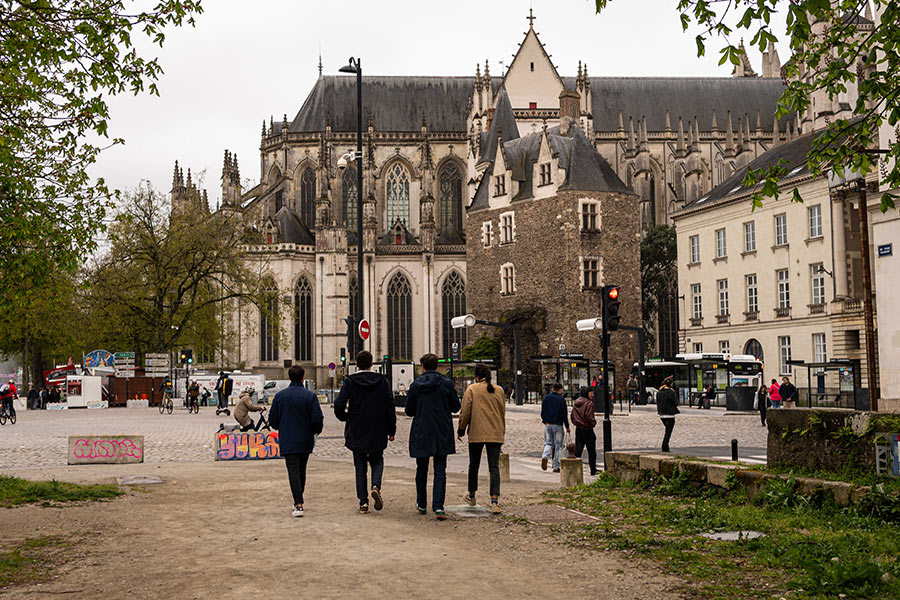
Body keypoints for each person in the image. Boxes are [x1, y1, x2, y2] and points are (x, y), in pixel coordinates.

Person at [334, 350, 396, 514]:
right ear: (371, 365)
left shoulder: (350, 381)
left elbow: (339, 403)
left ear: (356, 365)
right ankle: (376, 485)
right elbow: (390, 406)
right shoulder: (382, 381)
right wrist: (391, 430)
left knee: (360, 465)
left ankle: (363, 502)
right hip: (378, 427)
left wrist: (345, 417)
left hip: (357, 427)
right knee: (377, 460)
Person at [405, 353, 460, 520]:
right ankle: (438, 507)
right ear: (437, 366)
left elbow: (409, 411)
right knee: (440, 470)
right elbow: (455, 407)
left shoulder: (416, 385)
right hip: (441, 430)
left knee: (421, 468)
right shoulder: (446, 384)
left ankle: (421, 503)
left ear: (423, 367)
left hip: (422, 430)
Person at [269, 365, 324, 518]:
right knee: (302, 470)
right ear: (302, 378)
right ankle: (298, 500)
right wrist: (316, 430)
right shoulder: (310, 396)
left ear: (289, 377)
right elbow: (317, 419)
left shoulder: (280, 396)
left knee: (293, 470)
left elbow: (272, 420)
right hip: (305, 438)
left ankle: (298, 503)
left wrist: (282, 425)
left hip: (288, 438)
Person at [457, 364, 506, 514]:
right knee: (494, 467)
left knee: (474, 465)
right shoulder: (499, 390)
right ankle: (494, 500)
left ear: (476, 376)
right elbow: (502, 411)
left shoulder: (472, 389)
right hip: (495, 432)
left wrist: (461, 428)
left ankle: (472, 494)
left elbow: (465, 411)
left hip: (477, 432)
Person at [540, 383, 569, 473]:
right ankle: (555, 466)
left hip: (548, 424)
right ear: (559, 390)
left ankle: (545, 456)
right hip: (558, 425)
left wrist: (545, 421)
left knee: (548, 443)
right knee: (558, 446)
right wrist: (567, 426)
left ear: (552, 389)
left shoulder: (546, 398)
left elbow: (543, 411)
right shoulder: (561, 399)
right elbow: (564, 414)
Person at [571, 386, 598, 475]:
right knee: (591, 451)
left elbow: (572, 415)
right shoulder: (588, 404)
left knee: (578, 450)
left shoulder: (576, 403)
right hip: (587, 429)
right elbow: (589, 417)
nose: (592, 395)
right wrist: (593, 423)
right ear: (587, 393)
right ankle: (593, 470)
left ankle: (573, 469)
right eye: (591, 393)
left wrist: (576, 423)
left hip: (579, 428)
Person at [657, 377, 679, 452]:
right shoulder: (671, 392)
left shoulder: (659, 392)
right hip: (670, 414)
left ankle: (665, 445)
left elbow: (658, 402)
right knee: (668, 431)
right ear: (671, 384)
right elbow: (676, 403)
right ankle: (665, 446)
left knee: (667, 430)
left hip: (662, 414)